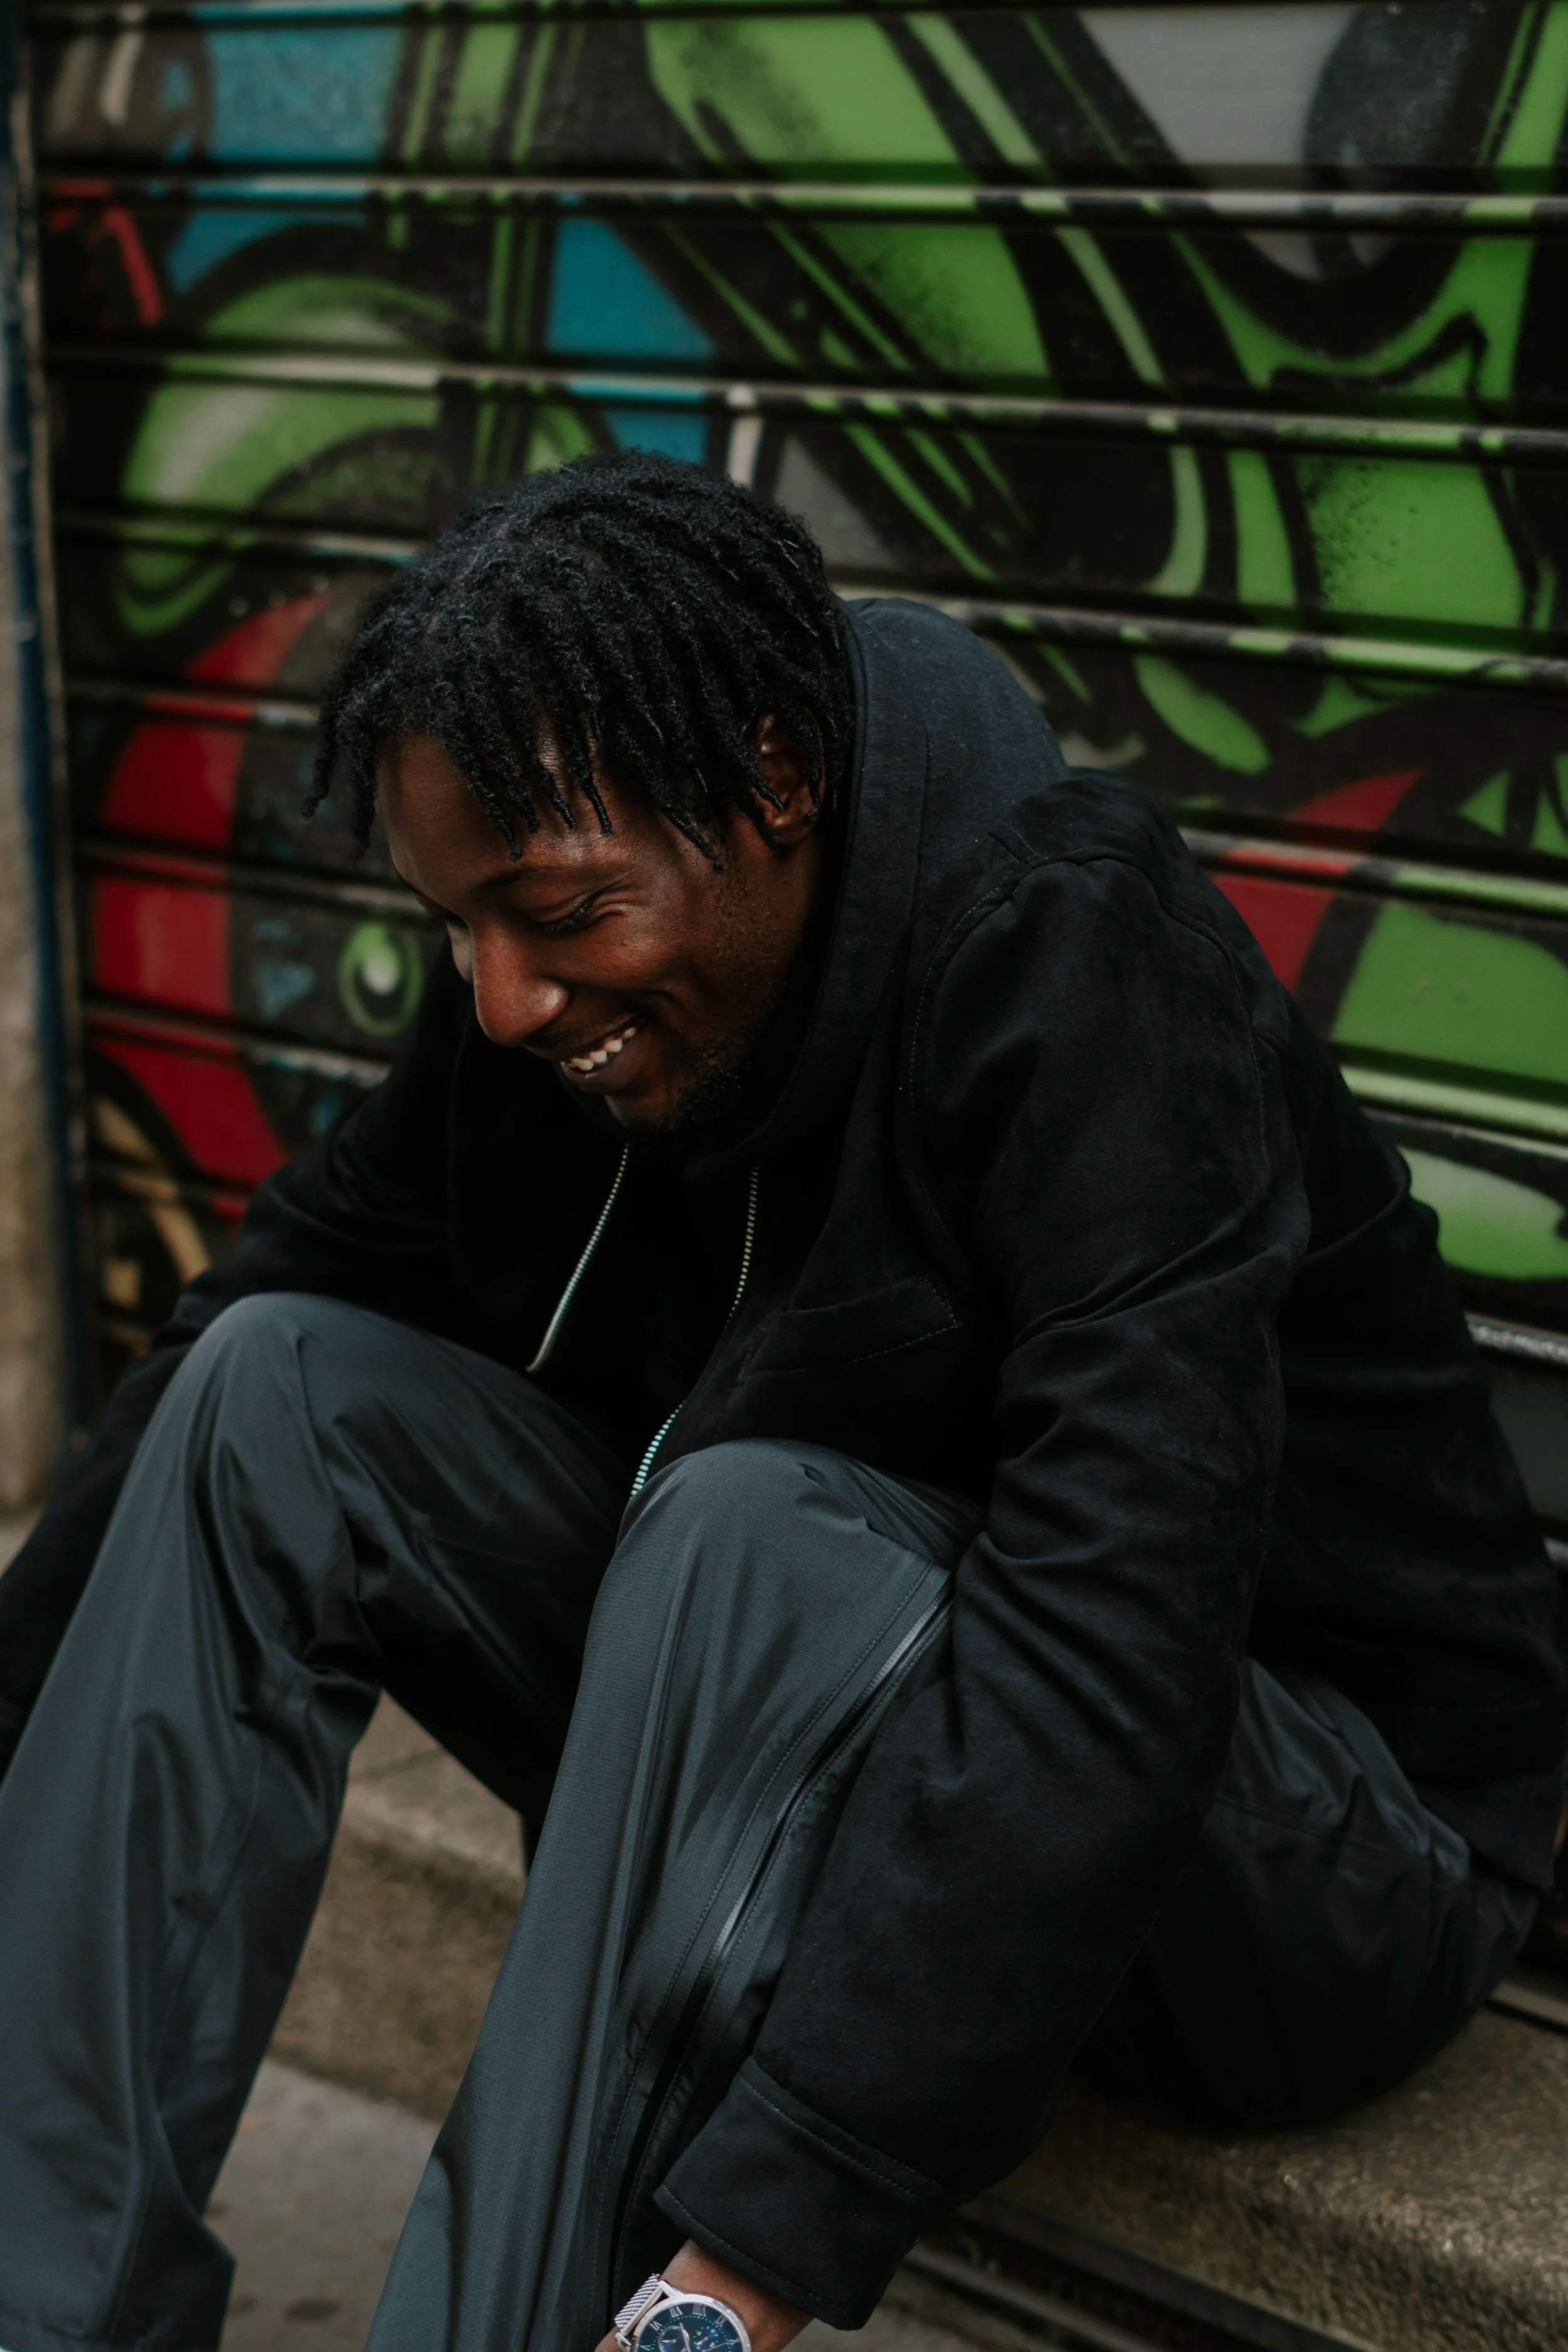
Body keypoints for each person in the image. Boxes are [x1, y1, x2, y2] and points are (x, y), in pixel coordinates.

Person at [0, 453, 1561, 2352]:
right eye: (458, 923)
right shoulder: (554, 1014)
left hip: (1309, 1863)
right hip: (869, 1755)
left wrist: (754, 2242)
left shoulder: (1080, 965)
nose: (499, 995)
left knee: (749, 1524)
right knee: (271, 1393)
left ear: (773, 780)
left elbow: (1117, 1630)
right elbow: (256, 1300)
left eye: (554, 906)